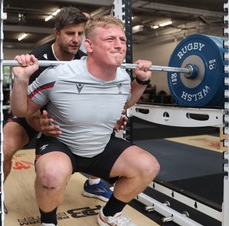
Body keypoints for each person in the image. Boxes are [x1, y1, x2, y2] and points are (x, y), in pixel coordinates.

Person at [10, 15, 160, 226]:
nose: (119, 45)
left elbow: (125, 103)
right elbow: (21, 109)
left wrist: (142, 81)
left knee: (148, 166)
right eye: (110, 39)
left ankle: (109, 215)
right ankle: (49, 222)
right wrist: (21, 80)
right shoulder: (58, 76)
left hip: (100, 145)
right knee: (51, 176)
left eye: (122, 40)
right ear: (89, 46)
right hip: (62, 144)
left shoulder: (124, 78)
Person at [3, 7, 114, 203]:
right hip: (33, 111)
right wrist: (38, 123)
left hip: (63, 114)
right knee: (4, 147)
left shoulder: (84, 60)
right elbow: (26, 107)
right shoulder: (38, 59)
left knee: (100, 131)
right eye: (70, 33)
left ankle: (94, 184)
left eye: (80, 33)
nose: (76, 39)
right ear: (56, 33)